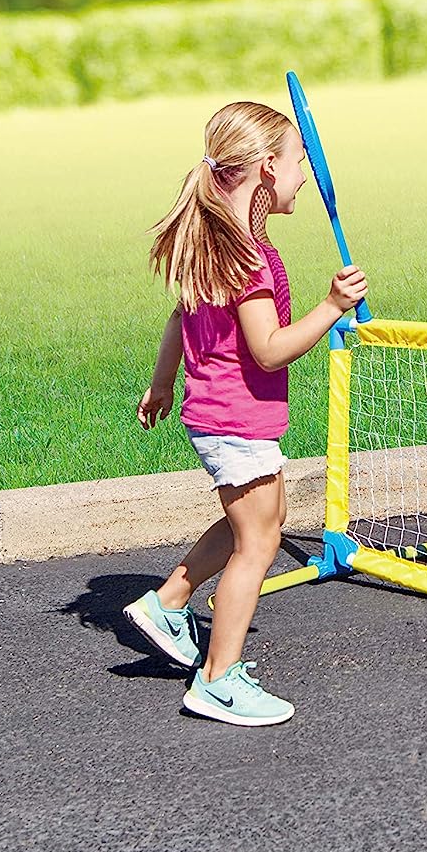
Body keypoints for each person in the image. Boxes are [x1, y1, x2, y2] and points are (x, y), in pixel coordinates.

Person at [125, 101, 368, 725]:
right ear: (265, 169)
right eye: (297, 162)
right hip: (236, 415)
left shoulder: (214, 241)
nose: (306, 175)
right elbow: (268, 348)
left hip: (215, 412)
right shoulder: (251, 259)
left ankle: (169, 602)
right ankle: (217, 680)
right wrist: (331, 307)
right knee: (259, 542)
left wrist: (161, 384)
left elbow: (182, 320)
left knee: (264, 520)